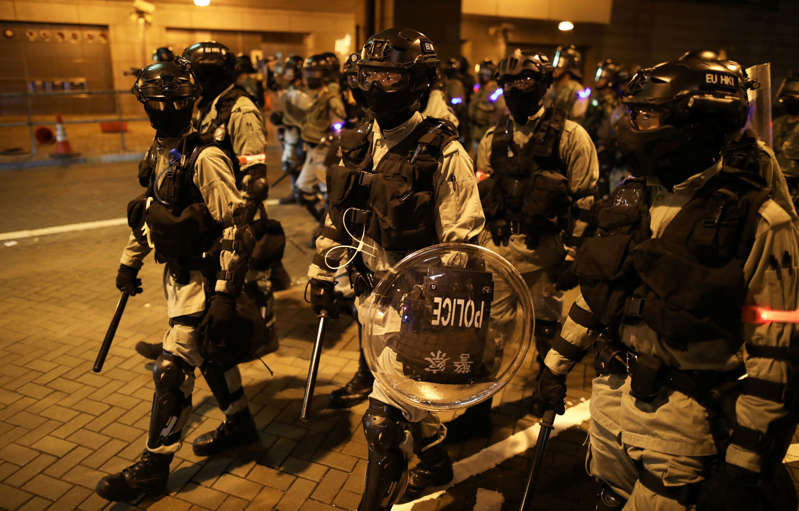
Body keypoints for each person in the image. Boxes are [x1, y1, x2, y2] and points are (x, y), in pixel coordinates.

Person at [532, 51, 799, 511]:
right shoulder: (634, 197)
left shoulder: (758, 221)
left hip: (681, 419)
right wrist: (556, 362)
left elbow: (775, 355)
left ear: (695, 123)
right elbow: (603, 290)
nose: (631, 124)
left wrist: (747, 461)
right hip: (611, 397)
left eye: (647, 114)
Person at [306, 28, 484, 509]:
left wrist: (431, 304)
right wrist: (322, 275)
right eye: (370, 74)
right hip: (367, 298)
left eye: (390, 76)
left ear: (418, 83)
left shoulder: (443, 153)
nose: (375, 86)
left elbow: (463, 242)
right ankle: (435, 460)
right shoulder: (357, 142)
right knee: (413, 400)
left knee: (382, 422)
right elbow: (337, 217)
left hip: (415, 311)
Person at [96, 58, 262, 501]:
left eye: (174, 100)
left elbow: (236, 226)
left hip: (206, 278)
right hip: (177, 276)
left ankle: (155, 464)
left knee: (173, 367)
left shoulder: (205, 157)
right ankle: (241, 423)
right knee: (212, 357)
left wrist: (225, 295)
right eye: (156, 100)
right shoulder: (157, 151)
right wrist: (129, 262)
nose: (164, 108)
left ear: (190, 101)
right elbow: (150, 214)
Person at [467, 49, 597, 437]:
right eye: (511, 83)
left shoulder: (572, 136)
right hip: (502, 251)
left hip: (548, 251)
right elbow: (483, 191)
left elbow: (586, 199)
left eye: (527, 82)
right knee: (488, 333)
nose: (518, 90)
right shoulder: (492, 138)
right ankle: (478, 408)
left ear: (543, 87)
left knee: (548, 329)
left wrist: (573, 254)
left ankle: (546, 389)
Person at [295, 53, 346, 222]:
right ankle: (324, 223)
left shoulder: (332, 97)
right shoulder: (319, 94)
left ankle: (331, 228)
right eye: (308, 72)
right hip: (313, 150)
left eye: (314, 72)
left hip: (324, 153)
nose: (309, 77)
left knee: (329, 195)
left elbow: (339, 127)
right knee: (304, 189)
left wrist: (330, 148)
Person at [582, 58, 629, 197]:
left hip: (604, 149)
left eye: (602, 75)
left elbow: (610, 128)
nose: (598, 79)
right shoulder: (598, 97)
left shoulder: (611, 101)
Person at [271, 55, 311, 204]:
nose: (287, 74)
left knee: (297, 164)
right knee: (291, 163)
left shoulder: (303, 93)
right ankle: (297, 193)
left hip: (301, 133)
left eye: (290, 71)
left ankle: (302, 194)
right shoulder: (293, 89)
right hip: (290, 131)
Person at [467, 59, 505, 158]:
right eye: (481, 73)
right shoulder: (479, 88)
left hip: (487, 131)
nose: (481, 75)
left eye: (485, 73)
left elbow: (500, 109)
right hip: (475, 131)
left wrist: (492, 126)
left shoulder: (496, 90)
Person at [774, 72, 799, 208]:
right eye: (786, 97)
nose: (788, 101)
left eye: (793, 97)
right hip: (775, 183)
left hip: (794, 187)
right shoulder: (777, 124)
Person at [546, 44, 586, 120]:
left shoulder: (578, 91)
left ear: (569, 67)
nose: (555, 68)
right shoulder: (550, 87)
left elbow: (577, 119)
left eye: (559, 64)